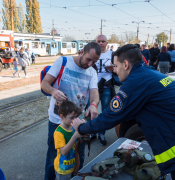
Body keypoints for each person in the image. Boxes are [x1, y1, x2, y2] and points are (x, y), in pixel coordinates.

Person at [72, 44, 175, 180]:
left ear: (125, 64)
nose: (114, 70)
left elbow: (111, 116)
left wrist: (82, 127)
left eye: (115, 66)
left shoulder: (137, 81)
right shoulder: (149, 74)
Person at [41, 42, 101, 180]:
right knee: (53, 158)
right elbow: (45, 84)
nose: (90, 64)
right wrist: (53, 91)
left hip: (78, 122)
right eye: (89, 59)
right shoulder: (63, 61)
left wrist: (93, 104)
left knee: (79, 155)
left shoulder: (92, 71)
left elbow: (95, 93)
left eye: (95, 61)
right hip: (58, 120)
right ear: (82, 52)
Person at [89, 35, 115, 146]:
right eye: (98, 41)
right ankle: (91, 132)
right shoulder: (92, 53)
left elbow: (119, 69)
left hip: (106, 85)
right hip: (92, 86)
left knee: (105, 111)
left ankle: (102, 133)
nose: (100, 43)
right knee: (90, 110)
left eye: (103, 41)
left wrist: (113, 68)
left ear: (107, 43)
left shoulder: (112, 54)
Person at [54, 100, 84, 180]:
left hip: (72, 165)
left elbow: (78, 142)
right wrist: (75, 136)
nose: (74, 120)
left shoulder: (72, 127)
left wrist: (83, 129)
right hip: (63, 170)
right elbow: (63, 152)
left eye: (76, 117)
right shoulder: (59, 132)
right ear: (62, 116)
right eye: (71, 118)